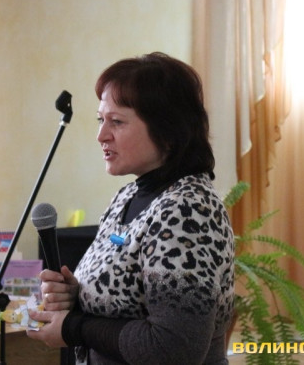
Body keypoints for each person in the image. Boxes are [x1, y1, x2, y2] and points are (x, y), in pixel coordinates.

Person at [27, 52, 235, 364]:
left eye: (117, 122)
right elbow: (126, 300)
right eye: (101, 120)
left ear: (168, 130)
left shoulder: (189, 211)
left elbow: (174, 347)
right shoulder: (126, 197)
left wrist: (73, 327)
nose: (101, 135)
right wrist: (76, 295)